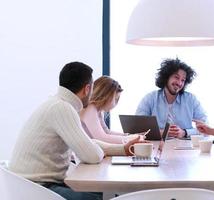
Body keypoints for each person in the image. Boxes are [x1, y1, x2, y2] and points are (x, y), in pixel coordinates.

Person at [8, 62, 142, 200]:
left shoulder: (56, 104)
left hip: (27, 184)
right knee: (99, 197)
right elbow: (92, 155)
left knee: (101, 193)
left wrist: (123, 149)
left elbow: (89, 143)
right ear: (87, 89)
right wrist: (103, 149)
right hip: (35, 188)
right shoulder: (62, 108)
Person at [136, 58, 207, 138]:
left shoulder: (191, 100)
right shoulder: (149, 98)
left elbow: (206, 129)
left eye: (183, 80)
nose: (179, 83)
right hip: (155, 148)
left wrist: (185, 132)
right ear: (166, 77)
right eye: (176, 77)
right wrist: (162, 132)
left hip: (184, 148)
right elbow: (137, 130)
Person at [80, 76, 136, 144]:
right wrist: (131, 139)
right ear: (106, 95)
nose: (116, 103)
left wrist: (129, 136)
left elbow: (106, 132)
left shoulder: (98, 110)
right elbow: (102, 138)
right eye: (116, 98)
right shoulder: (90, 108)